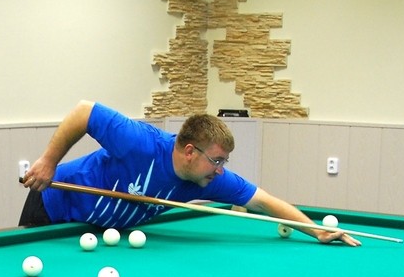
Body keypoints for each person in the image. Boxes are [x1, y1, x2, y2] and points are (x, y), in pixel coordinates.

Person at [18, 100, 358, 246]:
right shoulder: (140, 143)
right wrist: (48, 162)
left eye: (224, 162)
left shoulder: (207, 179)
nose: (221, 170)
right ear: (191, 152)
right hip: (54, 203)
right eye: (217, 160)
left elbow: (262, 201)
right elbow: (84, 112)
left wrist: (316, 231)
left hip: (97, 229)